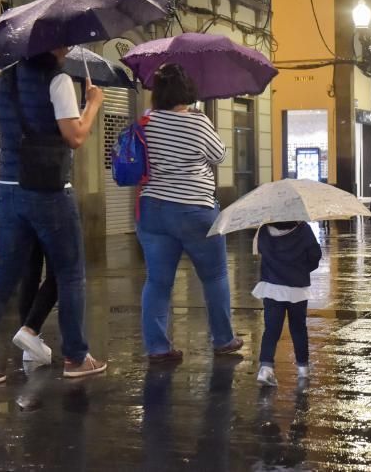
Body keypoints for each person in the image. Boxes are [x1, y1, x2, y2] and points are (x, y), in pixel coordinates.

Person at [0, 47, 106, 384]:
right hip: (49, 192)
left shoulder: (0, 83)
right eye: (62, 43)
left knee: (4, 277)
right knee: (70, 275)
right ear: (51, 47)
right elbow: (75, 136)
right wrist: (93, 103)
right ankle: (77, 357)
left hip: (8, 191)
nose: (67, 48)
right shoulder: (59, 80)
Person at [136, 64, 243, 364]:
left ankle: (157, 347)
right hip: (196, 210)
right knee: (215, 276)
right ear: (188, 91)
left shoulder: (147, 121)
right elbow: (219, 155)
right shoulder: (198, 122)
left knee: (157, 281)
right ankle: (223, 339)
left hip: (153, 210)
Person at [253, 221, 322, 386]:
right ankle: (303, 368)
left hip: (271, 287)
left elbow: (260, 250)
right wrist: (303, 269)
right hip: (297, 289)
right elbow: (315, 255)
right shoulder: (303, 229)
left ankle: (266, 367)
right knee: (298, 328)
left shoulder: (263, 229)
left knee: (271, 329)